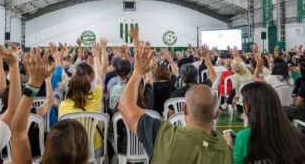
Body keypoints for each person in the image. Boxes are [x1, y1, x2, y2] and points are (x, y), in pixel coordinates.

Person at [119, 33, 232, 163]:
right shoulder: (225, 150)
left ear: (185, 108)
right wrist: (206, 58)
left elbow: (124, 105)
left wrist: (138, 71)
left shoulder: (163, 134)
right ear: (216, 114)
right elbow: (212, 75)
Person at [224, 82, 305, 164]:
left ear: (250, 106)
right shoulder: (293, 133)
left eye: (244, 102)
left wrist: (230, 145)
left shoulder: (245, 136)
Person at [58, 41, 104, 155]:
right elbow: (98, 78)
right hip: (95, 149)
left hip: (72, 150)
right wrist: (95, 56)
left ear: (71, 85)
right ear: (89, 84)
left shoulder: (63, 106)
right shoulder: (95, 99)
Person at [166, 45, 217, 119]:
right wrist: (206, 57)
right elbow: (213, 75)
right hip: (200, 124)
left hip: (181, 127)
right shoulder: (203, 88)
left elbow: (170, 116)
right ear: (196, 76)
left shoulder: (176, 94)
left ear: (182, 78)